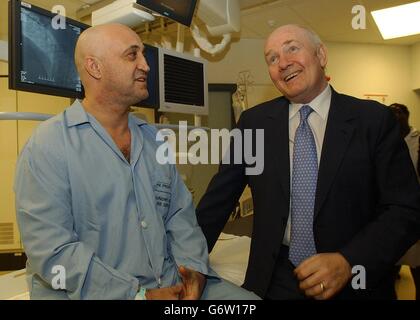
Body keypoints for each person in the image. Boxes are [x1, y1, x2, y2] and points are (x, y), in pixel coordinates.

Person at [14, 23, 259, 300]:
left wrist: (194, 269)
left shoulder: (153, 139)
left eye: (143, 54)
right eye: (132, 55)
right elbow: (53, 250)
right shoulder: (48, 146)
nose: (146, 65)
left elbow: (181, 216)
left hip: (173, 282)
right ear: (95, 68)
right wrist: (139, 295)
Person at [196, 24, 420, 300]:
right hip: (274, 280)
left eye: (292, 48)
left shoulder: (373, 121)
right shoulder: (253, 124)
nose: (283, 63)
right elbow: (218, 202)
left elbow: (405, 209)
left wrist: (348, 261)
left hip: (355, 281)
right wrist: (187, 262)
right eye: (272, 58)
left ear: (321, 55)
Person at [389, 103, 420, 300]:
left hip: (415, 211)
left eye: (401, 113)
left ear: (407, 116)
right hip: (391, 212)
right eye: (393, 114)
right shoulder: (386, 140)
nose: (397, 117)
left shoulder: (418, 141)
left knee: (417, 265)